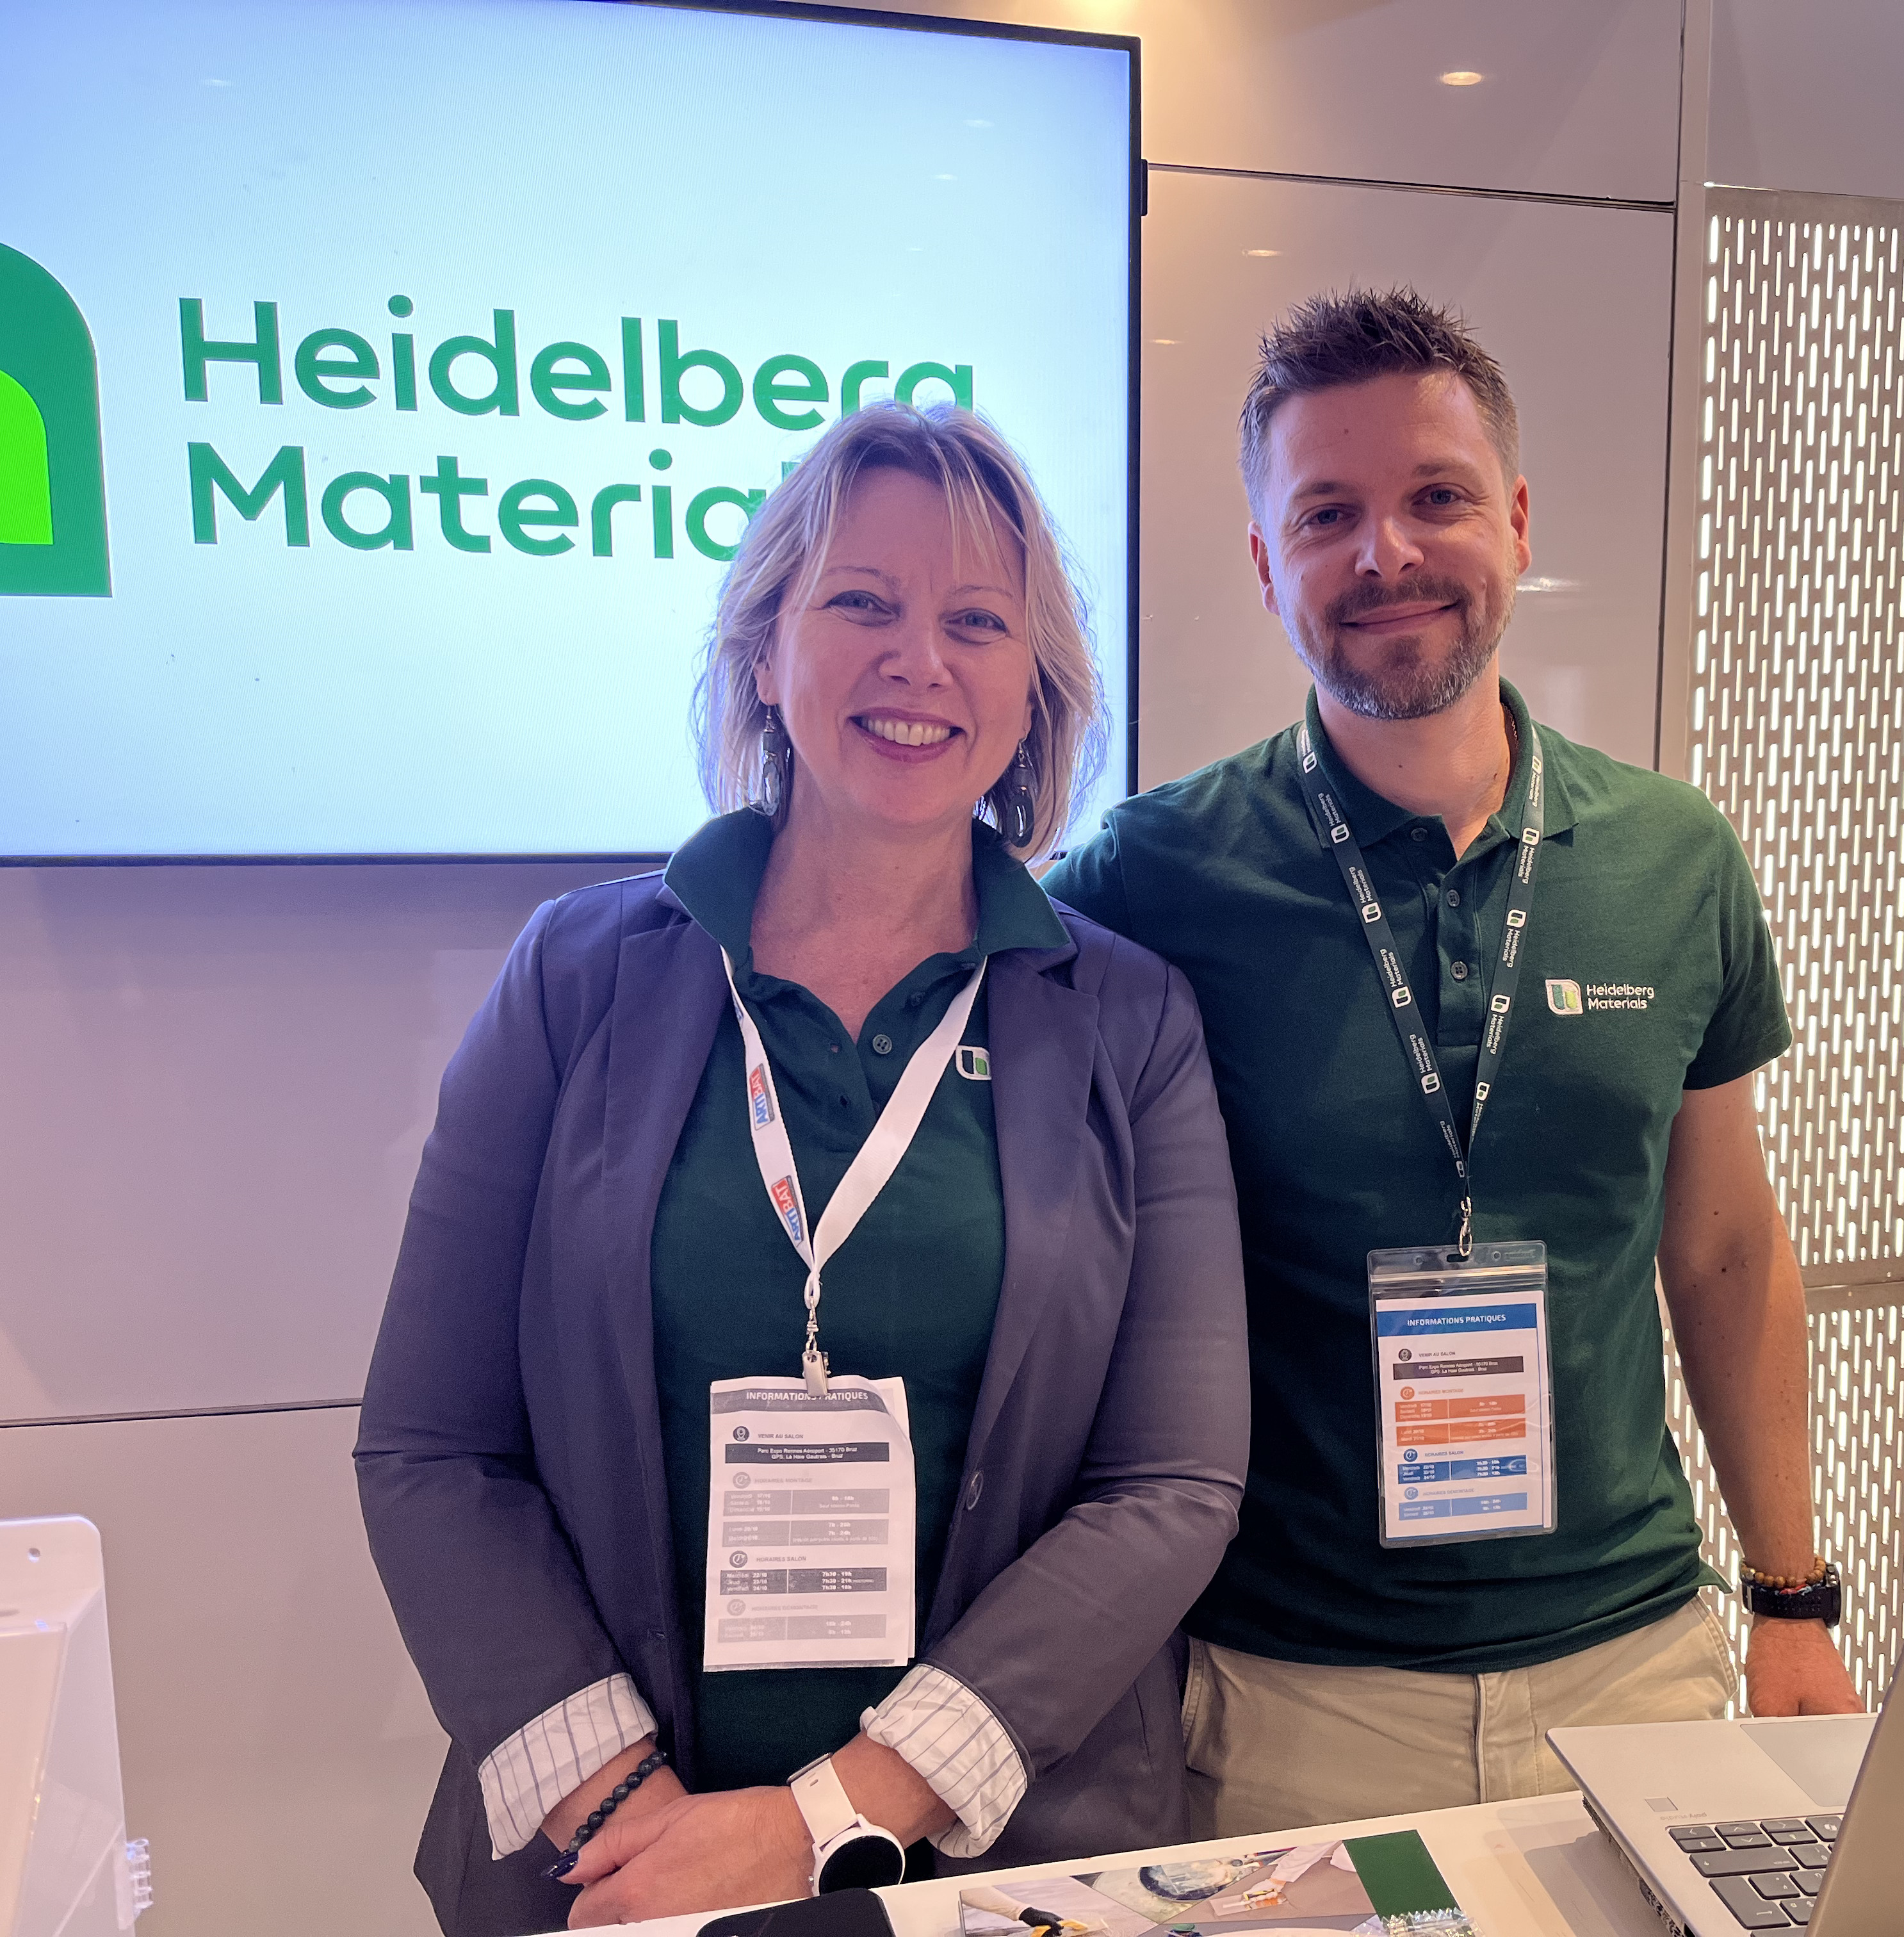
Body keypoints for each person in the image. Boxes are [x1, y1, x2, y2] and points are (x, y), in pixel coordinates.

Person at [357, 402, 1248, 1935]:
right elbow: (432, 1450)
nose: (921, 661)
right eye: (862, 604)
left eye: (978, 622)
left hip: (1004, 1861)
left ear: (1033, 691)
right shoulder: (577, 977)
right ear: (766, 650)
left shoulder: (1128, 1018)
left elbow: (1170, 1484)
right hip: (612, 1872)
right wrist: (638, 1824)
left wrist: (822, 1822)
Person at [1047, 288, 1862, 1839]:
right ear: (1263, 562)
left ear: (1518, 521)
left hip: (1635, 1663)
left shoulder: (1676, 857)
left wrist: (1792, 1597)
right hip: (1290, 1699)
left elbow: (1724, 1248)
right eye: (1327, 514)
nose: (1388, 555)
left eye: (1437, 497)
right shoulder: (1151, 878)